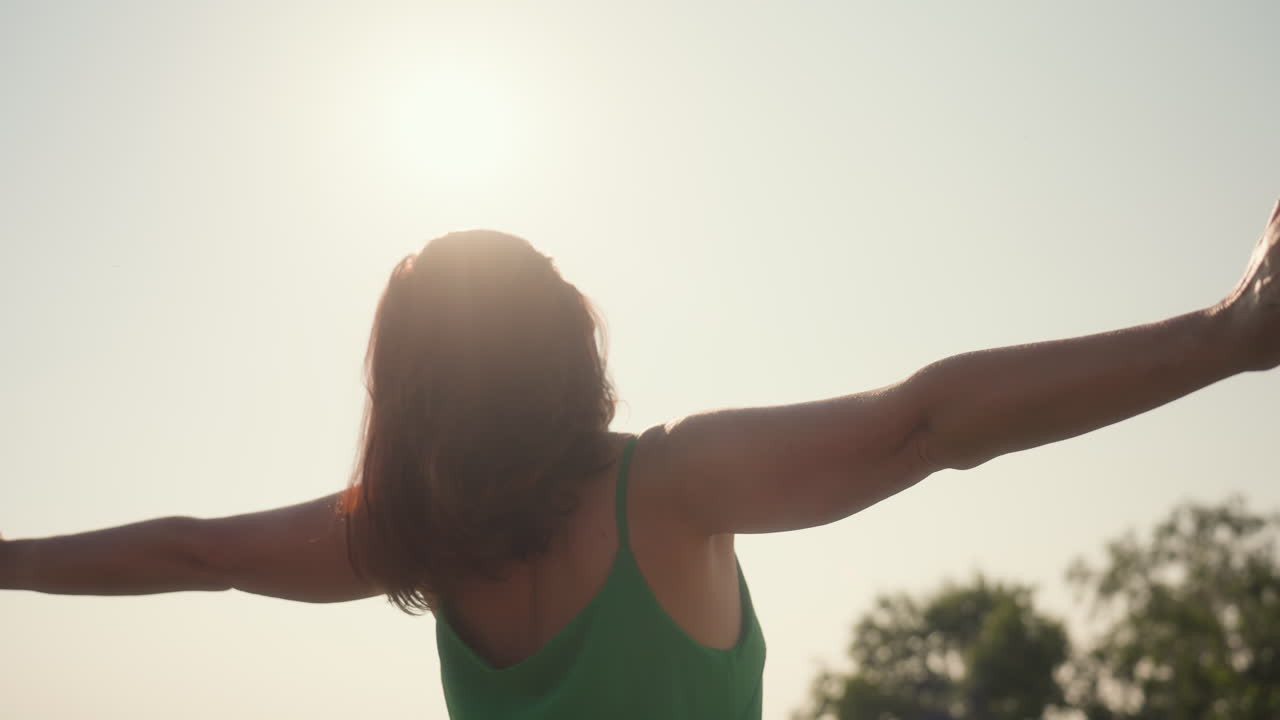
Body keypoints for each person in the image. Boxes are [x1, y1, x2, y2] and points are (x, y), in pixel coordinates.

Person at [3, 200, 1280, 719]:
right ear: (569, 349)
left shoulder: (406, 538)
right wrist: (1222, 337)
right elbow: (926, 423)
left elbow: (192, 552)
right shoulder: (665, 487)